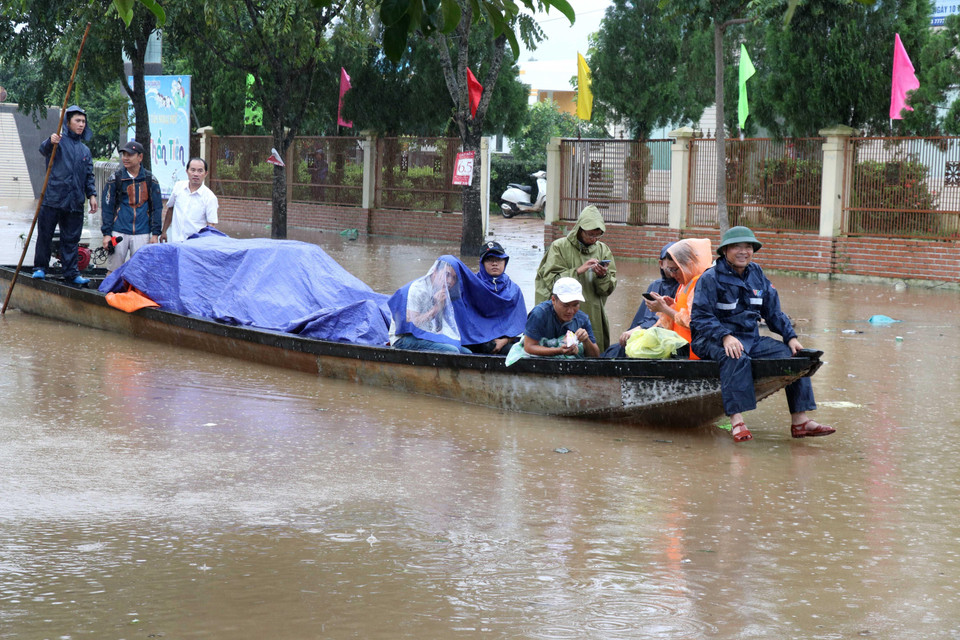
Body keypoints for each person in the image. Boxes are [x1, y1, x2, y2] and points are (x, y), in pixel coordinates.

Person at [690, 226, 835, 443]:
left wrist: (790, 337)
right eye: (737, 247)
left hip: (750, 338)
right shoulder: (710, 278)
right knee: (735, 355)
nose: (743, 251)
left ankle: (800, 421)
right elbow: (700, 317)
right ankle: (737, 421)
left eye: (748, 247)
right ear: (725, 251)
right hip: (711, 339)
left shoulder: (756, 274)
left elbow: (773, 312)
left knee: (796, 357)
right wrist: (725, 336)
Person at [32, 105, 98, 285]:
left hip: (75, 201)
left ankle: (72, 273)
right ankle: (40, 268)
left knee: (71, 239)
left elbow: (89, 176)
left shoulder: (85, 150)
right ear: (68, 122)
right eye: (77, 120)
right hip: (53, 197)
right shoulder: (57, 141)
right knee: (45, 235)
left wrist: (92, 195)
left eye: (83, 121)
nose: (81, 124)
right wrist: (50, 141)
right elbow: (43, 150)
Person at [534, 205, 617, 350]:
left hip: (592, 310)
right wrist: (578, 271)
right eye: (590, 234)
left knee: (592, 351)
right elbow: (550, 282)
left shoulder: (603, 250)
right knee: (559, 349)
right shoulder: (559, 247)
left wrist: (603, 276)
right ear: (579, 229)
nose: (593, 239)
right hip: (561, 312)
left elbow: (607, 290)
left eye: (597, 235)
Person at [620, 238, 712, 359]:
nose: (672, 275)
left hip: (694, 353)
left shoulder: (700, 284)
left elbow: (694, 322)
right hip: (680, 351)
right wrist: (670, 305)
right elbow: (680, 314)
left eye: (675, 269)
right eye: (670, 270)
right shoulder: (684, 284)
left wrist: (664, 309)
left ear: (688, 264)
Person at [388, 257, 474, 354]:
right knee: (452, 351)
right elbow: (411, 324)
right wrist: (436, 309)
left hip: (427, 336)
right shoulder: (417, 290)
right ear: (435, 271)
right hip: (403, 338)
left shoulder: (445, 293)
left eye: (454, 278)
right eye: (447, 275)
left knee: (467, 353)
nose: (450, 281)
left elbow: (440, 327)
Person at [101, 140, 163, 272]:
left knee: (140, 272)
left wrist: (155, 234)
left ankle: (136, 293)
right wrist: (106, 233)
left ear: (140, 157)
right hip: (118, 231)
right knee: (113, 271)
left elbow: (156, 208)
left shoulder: (150, 179)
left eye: (130, 155)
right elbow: (107, 208)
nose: (125, 158)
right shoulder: (115, 178)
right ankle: (110, 293)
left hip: (143, 232)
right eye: (123, 154)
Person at [465, 241, 526, 354]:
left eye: (498, 259)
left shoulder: (514, 290)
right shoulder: (470, 285)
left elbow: (518, 324)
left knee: (517, 353)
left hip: (502, 341)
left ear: (505, 262)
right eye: (489, 259)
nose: (494, 263)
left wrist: (504, 341)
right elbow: (463, 319)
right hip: (475, 341)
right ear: (482, 263)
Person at [523, 277, 600, 358]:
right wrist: (559, 351)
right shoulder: (539, 314)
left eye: (575, 305)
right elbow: (529, 347)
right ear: (553, 300)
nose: (570, 311)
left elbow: (595, 356)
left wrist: (586, 340)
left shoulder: (582, 319)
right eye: (565, 305)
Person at [160, 157, 219, 243]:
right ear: (187, 171)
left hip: (195, 246)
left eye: (200, 171)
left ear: (205, 173)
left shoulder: (210, 197)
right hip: (176, 242)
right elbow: (171, 209)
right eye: (193, 170)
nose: (196, 174)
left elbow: (211, 225)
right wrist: (164, 231)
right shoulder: (178, 187)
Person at [629, 242, 680, 330]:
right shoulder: (655, 285)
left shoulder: (684, 286)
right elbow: (641, 317)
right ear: (661, 264)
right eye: (670, 258)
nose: (674, 262)